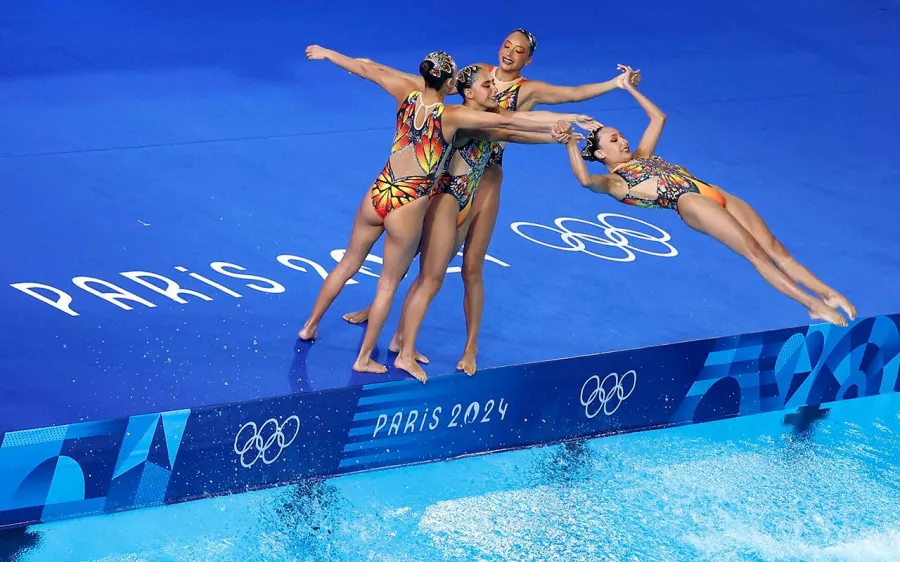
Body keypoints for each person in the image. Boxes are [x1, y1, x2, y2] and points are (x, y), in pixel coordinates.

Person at [346, 29, 640, 374]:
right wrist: (368, 66)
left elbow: (564, 99)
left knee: (466, 266)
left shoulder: (527, 90)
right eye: (506, 46)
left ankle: (461, 346)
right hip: (448, 175)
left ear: (528, 59)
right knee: (415, 254)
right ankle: (385, 314)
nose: (510, 54)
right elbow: (423, 82)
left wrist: (615, 85)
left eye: (519, 51)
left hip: (483, 180)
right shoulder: (476, 75)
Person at [298, 46, 561, 373]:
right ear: (452, 83)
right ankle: (365, 358)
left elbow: (367, 68)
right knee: (388, 285)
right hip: (408, 203)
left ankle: (310, 325)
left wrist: (328, 54)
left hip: (380, 190)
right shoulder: (452, 116)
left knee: (348, 263)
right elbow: (510, 123)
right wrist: (564, 126)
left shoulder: (406, 94)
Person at [554, 65, 855, 327]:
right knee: (756, 253)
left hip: (711, 190)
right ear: (600, 153)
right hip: (690, 202)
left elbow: (658, 118)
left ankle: (825, 292)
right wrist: (569, 144)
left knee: (774, 246)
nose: (624, 141)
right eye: (615, 139)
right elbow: (584, 180)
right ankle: (812, 304)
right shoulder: (615, 182)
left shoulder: (642, 156)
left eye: (622, 135)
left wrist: (627, 87)